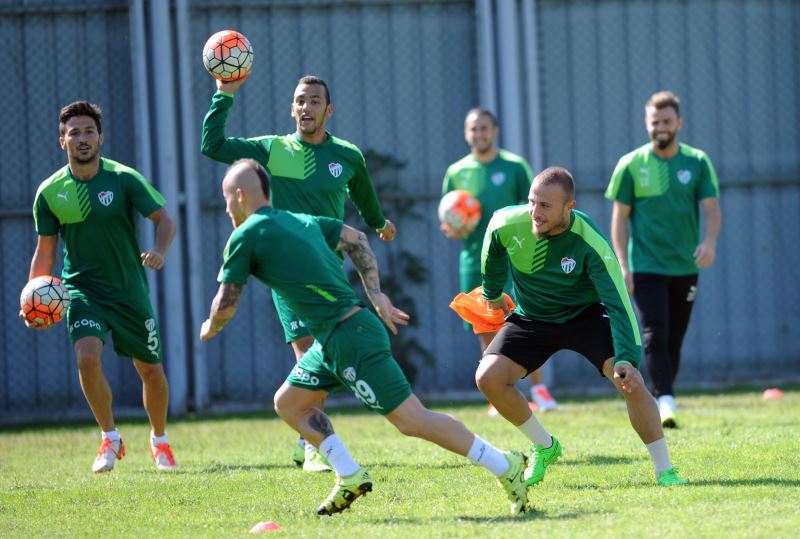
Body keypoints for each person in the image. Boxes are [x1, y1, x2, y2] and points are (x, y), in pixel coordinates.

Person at [200, 159, 529, 515]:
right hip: (334, 338)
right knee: (290, 402)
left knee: (412, 420)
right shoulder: (299, 220)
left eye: (226, 199)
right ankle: (349, 475)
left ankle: (504, 465)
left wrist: (211, 326)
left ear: (238, 195)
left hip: (349, 337)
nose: (226, 207)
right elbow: (356, 238)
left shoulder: (245, 235)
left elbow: (226, 302)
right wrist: (376, 295)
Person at [201, 74, 396, 470]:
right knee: (307, 350)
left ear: (329, 110)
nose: (306, 108)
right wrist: (224, 94)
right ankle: (314, 447)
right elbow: (213, 145)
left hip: (330, 267)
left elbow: (362, 194)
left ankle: (305, 432)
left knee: (320, 355)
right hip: (289, 275)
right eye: (299, 101)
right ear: (291, 109)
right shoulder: (273, 151)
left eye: (314, 101)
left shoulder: (346, 155)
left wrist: (378, 222)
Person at [475, 166, 687, 488]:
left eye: (545, 205)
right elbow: (492, 246)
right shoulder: (508, 223)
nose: (535, 212)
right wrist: (491, 292)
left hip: (584, 316)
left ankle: (665, 470)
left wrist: (628, 358)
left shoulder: (590, 242)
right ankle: (545, 446)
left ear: (569, 207)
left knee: (630, 382)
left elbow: (618, 303)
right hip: (532, 316)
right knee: (487, 378)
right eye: (532, 202)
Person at [21, 101, 178, 473]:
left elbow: (164, 219)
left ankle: (160, 441)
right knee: (87, 358)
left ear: (101, 137)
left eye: (89, 131)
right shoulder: (50, 192)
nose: (82, 138)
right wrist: (32, 297)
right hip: (82, 290)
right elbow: (46, 251)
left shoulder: (124, 178)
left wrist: (158, 249)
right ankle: (110, 437)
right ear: (62, 141)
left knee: (151, 371)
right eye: (73, 132)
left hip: (129, 290)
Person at [605, 91, 721, 428]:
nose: (661, 127)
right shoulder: (631, 165)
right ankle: (665, 402)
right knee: (654, 331)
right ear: (647, 124)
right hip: (646, 266)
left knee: (675, 336)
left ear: (679, 123)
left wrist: (709, 243)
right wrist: (624, 265)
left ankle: (663, 394)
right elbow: (619, 218)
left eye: (667, 121)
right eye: (655, 122)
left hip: (685, 267)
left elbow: (711, 208)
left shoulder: (697, 162)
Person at [441, 108, 558, 414]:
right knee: (486, 324)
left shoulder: (515, 167)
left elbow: (535, 213)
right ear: (467, 134)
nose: (479, 134)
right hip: (475, 260)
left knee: (529, 321)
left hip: (516, 259)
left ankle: (540, 391)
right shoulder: (456, 172)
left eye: (484, 129)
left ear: (495, 132)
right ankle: (496, 394)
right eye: (473, 129)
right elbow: (449, 219)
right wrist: (455, 226)